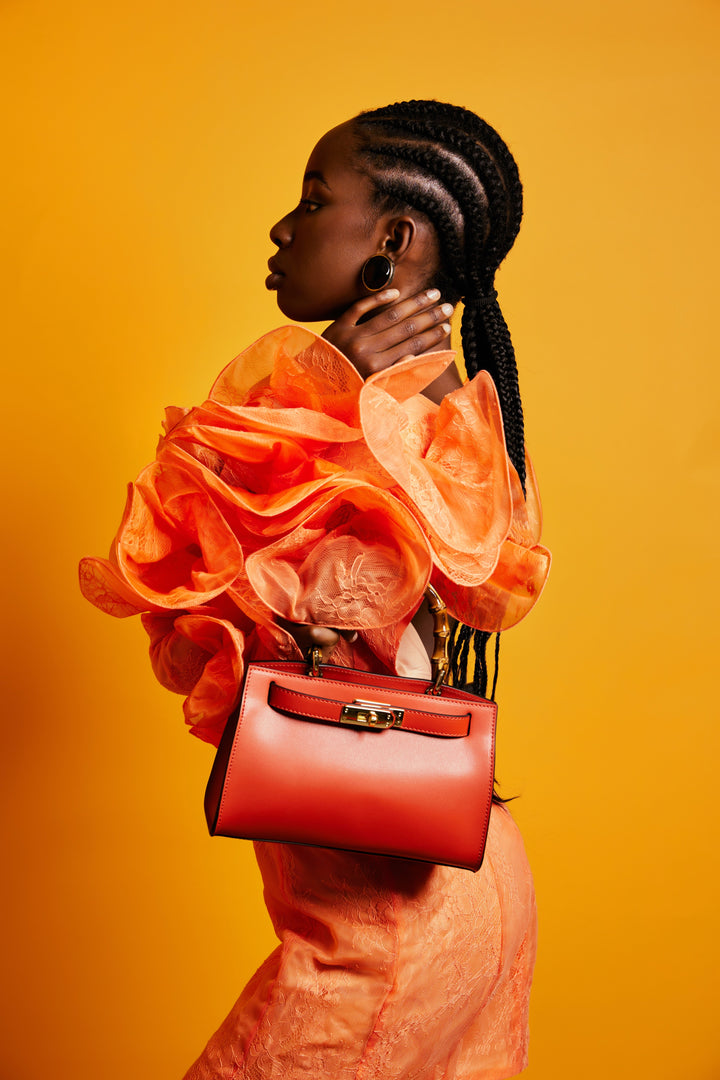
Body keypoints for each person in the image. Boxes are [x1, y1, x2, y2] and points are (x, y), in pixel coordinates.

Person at [80, 100, 550, 1079]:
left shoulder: (381, 418)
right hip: (451, 878)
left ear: (394, 239)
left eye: (311, 199)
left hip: (387, 923)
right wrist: (327, 379)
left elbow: (217, 567)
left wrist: (331, 381)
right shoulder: (403, 404)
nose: (282, 227)